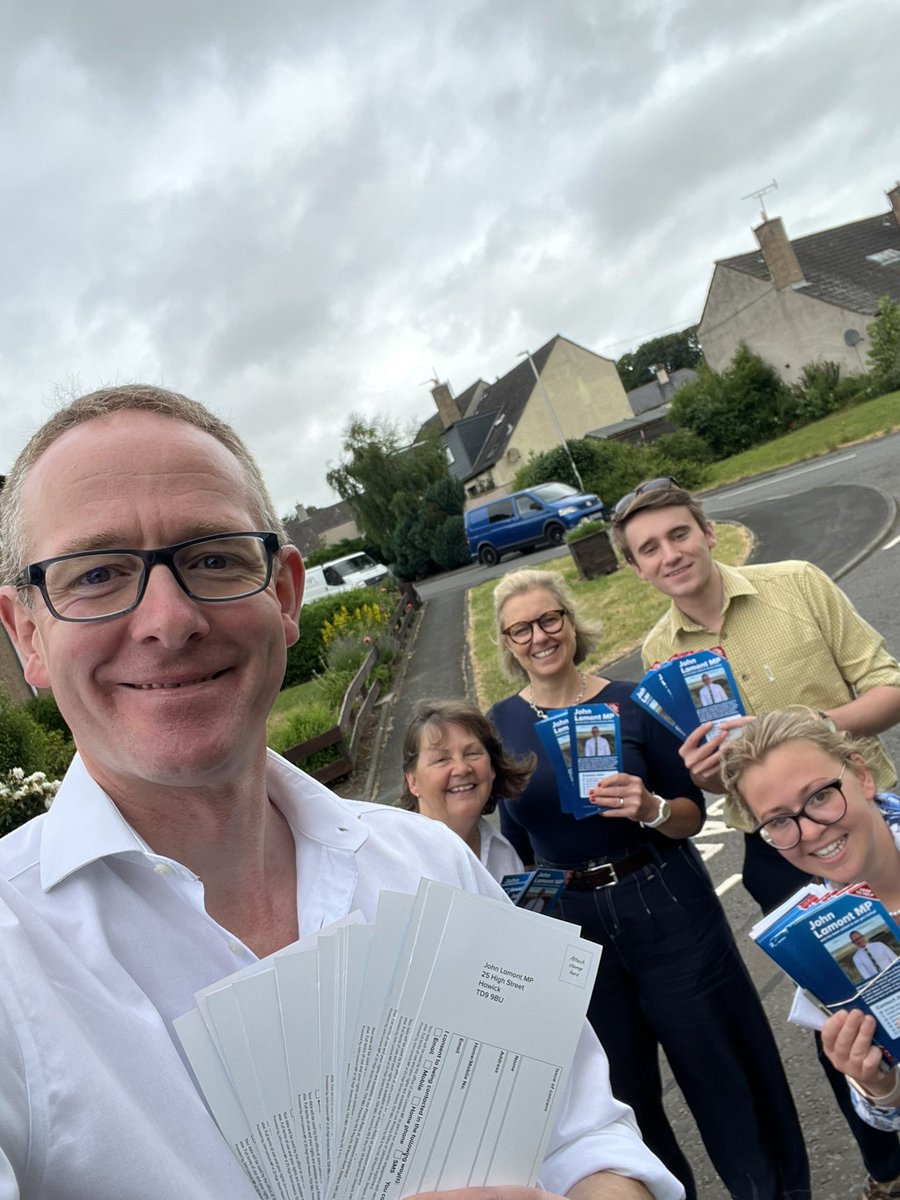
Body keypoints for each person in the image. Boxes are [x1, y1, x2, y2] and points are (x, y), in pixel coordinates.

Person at [0, 386, 680, 1200]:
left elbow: (584, 1137)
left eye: (214, 557)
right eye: (99, 574)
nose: (169, 619)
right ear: (29, 634)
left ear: (285, 594)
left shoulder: (431, 861)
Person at [611, 475, 900, 1198]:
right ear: (639, 570)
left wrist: (801, 738)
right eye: (649, 549)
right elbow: (713, 787)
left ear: (707, 532)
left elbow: (891, 688)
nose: (670, 553)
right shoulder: (658, 654)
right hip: (778, 858)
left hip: (869, 825)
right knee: (849, 1032)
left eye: (678, 533)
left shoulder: (796, 584)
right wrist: (707, 772)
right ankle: (884, 1165)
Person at [487, 566, 810, 1200]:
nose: (539, 637)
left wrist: (650, 807)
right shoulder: (500, 726)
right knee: (619, 1097)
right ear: (506, 642)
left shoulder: (632, 702)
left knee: (723, 1069)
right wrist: (531, 932)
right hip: (575, 925)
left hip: (663, 897)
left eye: (549, 619)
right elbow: (520, 845)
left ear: (572, 622)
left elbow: (690, 814)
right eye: (520, 629)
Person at [721, 709, 900, 1149]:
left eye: (820, 796)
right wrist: (879, 1084)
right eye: (779, 821)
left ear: (862, 775)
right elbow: (886, 1117)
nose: (811, 831)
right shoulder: (814, 944)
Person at [398, 698, 531, 881]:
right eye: (441, 759)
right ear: (413, 781)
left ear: (492, 768)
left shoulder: (503, 855)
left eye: (472, 753)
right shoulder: (397, 865)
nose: (461, 768)